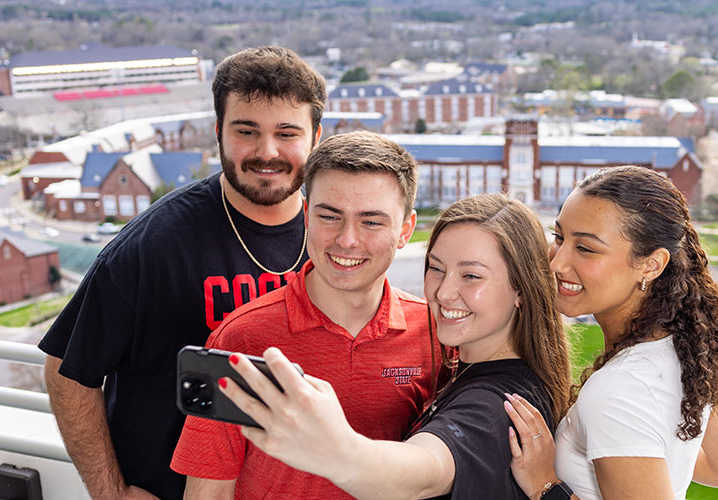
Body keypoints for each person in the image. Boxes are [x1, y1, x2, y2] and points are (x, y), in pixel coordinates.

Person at [39, 46, 325, 500]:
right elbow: (66, 371)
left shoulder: (332, 237)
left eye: (287, 132)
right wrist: (111, 494)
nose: (266, 152)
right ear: (217, 132)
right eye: (246, 131)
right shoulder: (156, 243)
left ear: (316, 136)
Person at [210, 194, 574, 499]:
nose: (444, 292)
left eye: (471, 276)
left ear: (522, 290)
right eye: (436, 268)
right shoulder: (465, 369)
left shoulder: (500, 408)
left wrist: (338, 451)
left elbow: (425, 470)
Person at [171, 131, 441, 499]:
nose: (347, 240)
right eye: (330, 216)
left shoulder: (435, 334)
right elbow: (208, 494)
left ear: (405, 230)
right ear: (306, 215)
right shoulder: (240, 339)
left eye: (371, 222)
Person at [503, 165, 718, 500]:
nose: (556, 263)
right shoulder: (687, 351)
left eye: (586, 248)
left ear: (651, 265)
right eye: (560, 237)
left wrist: (544, 484)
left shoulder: (617, 391)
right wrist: (635, 453)